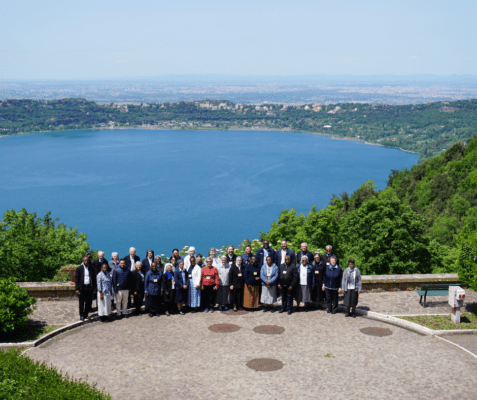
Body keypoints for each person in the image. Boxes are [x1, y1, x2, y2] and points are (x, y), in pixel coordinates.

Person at [75, 256, 97, 321]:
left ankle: (86, 315)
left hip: (89, 287)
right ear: (83, 261)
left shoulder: (92, 269)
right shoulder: (79, 268)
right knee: (81, 302)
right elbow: (77, 279)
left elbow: (94, 279)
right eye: (85, 261)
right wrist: (77, 289)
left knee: (89, 302)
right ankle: (81, 315)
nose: (86, 262)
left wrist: (94, 288)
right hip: (82, 287)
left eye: (87, 261)